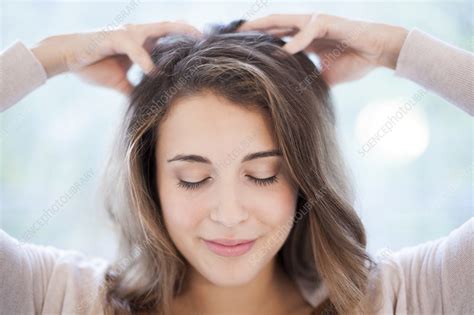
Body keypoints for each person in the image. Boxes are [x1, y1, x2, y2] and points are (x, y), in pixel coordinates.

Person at [0, 13, 472, 315]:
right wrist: (50, 57)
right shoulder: (61, 299)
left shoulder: (403, 299)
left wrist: (396, 48)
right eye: (193, 178)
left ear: (305, 177)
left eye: (263, 174)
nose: (228, 214)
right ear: (151, 180)